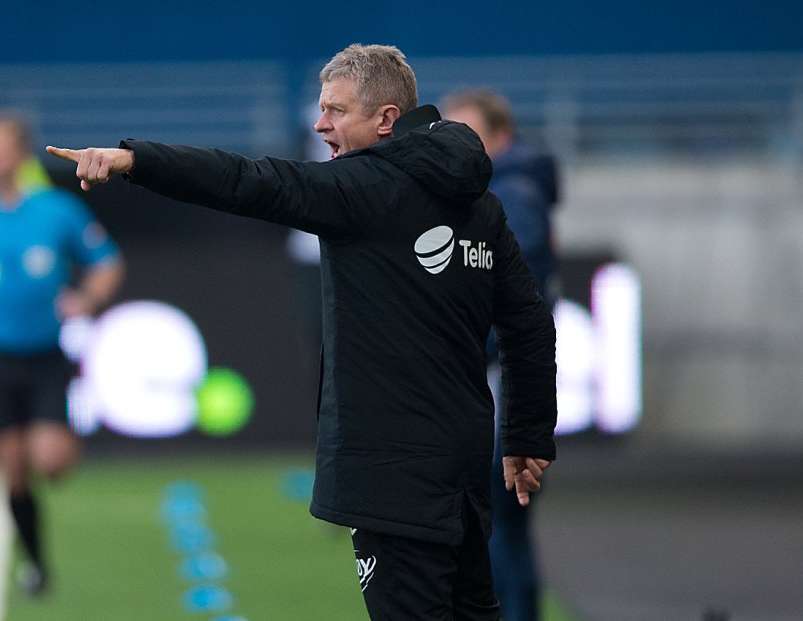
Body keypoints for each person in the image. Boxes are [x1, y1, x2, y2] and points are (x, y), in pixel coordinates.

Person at [48, 44, 556, 620]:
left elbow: (246, 181)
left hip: (391, 473)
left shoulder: (362, 190)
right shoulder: (481, 205)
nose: (320, 125)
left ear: (386, 119)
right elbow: (530, 323)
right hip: (462, 467)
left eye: (336, 111)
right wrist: (527, 435)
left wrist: (134, 160)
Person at [0, 109, 125, 596]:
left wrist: (88, 298)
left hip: (46, 358)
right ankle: (37, 564)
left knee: (51, 463)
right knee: (12, 471)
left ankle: (62, 439)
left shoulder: (56, 212)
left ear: (18, 155)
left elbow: (106, 264)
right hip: (1, 360)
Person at [443, 88, 560, 621]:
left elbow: (519, 306)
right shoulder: (512, 189)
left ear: (501, 137)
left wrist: (459, 348)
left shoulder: (511, 196)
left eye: (469, 135)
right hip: (500, 376)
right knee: (501, 521)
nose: (456, 147)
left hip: (499, 380)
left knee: (493, 519)